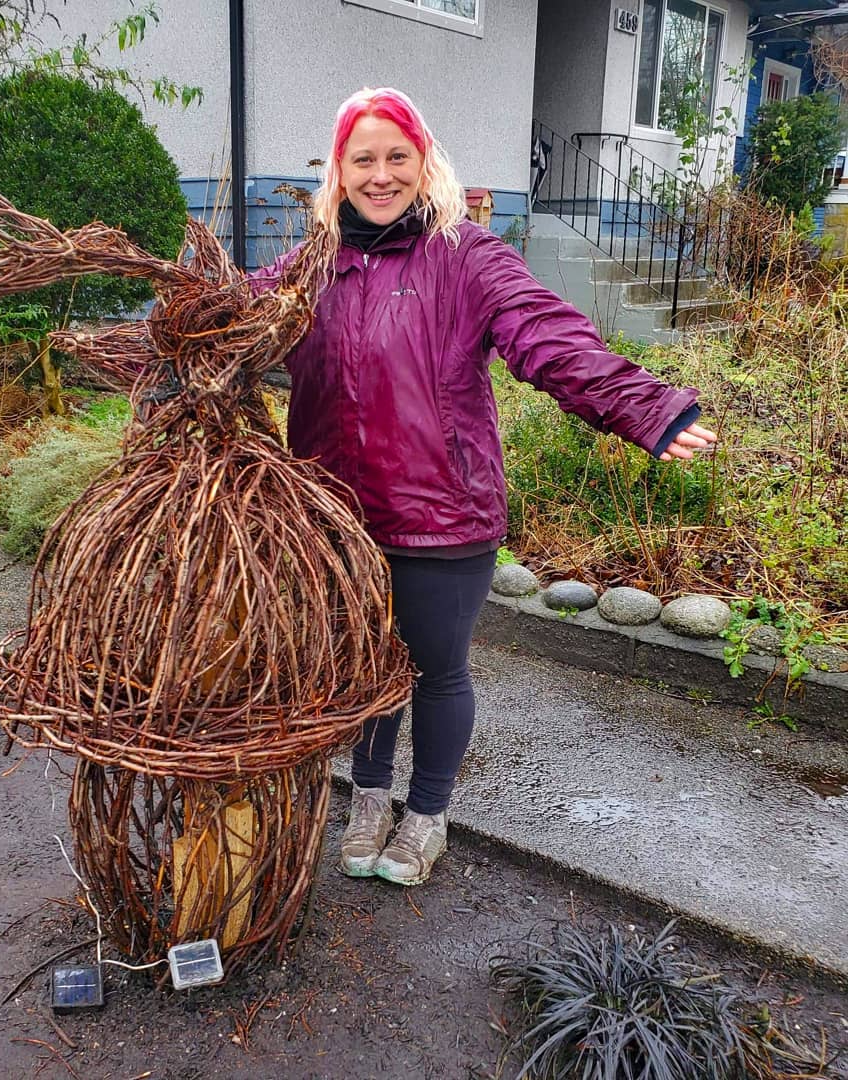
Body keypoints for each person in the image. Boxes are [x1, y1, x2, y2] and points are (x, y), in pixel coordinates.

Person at [255, 87, 716, 887]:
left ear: (423, 161)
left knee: (434, 668)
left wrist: (643, 406)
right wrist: (153, 342)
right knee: (365, 666)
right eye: (362, 159)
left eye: (397, 156)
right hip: (335, 515)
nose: (381, 174)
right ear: (339, 170)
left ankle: (427, 814)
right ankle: (368, 798)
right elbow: (228, 319)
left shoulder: (466, 255)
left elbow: (544, 333)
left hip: (443, 512)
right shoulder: (308, 269)